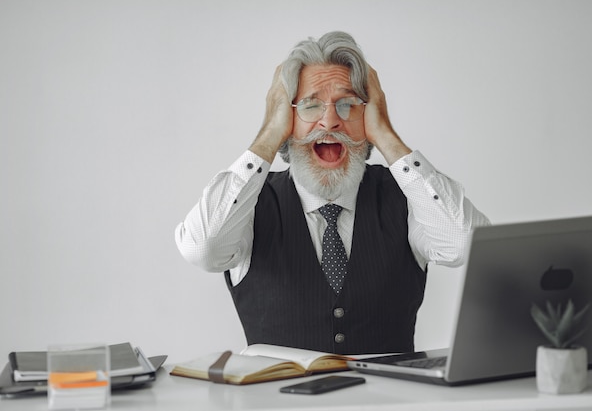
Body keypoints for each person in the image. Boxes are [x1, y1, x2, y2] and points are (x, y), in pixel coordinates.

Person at [175, 31, 490, 355]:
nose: (330, 121)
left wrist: (386, 133)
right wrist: (269, 133)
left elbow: (468, 246)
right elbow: (203, 249)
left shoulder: (408, 198)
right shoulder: (248, 205)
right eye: (311, 105)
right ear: (287, 120)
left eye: (347, 104)